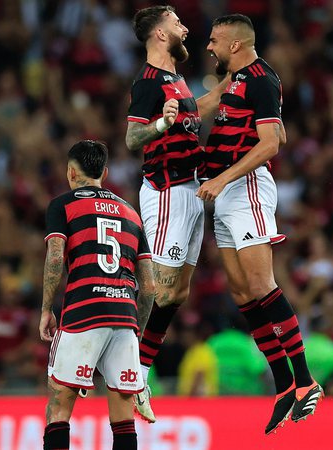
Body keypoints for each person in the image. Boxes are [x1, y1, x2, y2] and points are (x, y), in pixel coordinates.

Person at [196, 14, 322, 434]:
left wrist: (221, 178)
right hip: (226, 189)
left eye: (214, 40)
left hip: (244, 184)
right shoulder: (233, 78)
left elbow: (271, 143)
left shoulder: (262, 79)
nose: (209, 46)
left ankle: (305, 380)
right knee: (242, 290)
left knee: (262, 283)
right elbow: (202, 106)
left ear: (235, 44)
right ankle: (283, 382)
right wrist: (161, 109)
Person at [125, 5, 225, 423]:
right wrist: (161, 127)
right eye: (176, 21)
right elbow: (132, 137)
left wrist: (226, 89)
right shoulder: (148, 82)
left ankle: (139, 372)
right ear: (161, 35)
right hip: (167, 192)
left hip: (190, 191)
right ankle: (130, 372)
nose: (184, 26)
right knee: (158, 290)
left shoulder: (175, 80)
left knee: (178, 294)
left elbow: (188, 115)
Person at [39, 140, 157, 450]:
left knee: (59, 406)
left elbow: (55, 256)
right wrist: (136, 331)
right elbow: (149, 286)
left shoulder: (63, 205)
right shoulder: (131, 214)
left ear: (71, 173)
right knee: (122, 416)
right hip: (124, 317)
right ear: (104, 172)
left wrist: (45, 310)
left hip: (83, 312)